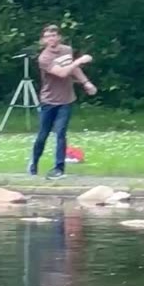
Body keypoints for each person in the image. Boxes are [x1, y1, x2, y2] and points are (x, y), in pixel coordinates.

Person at [29, 24, 97, 180]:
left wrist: (86, 82)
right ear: (43, 40)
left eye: (54, 35)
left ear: (59, 37)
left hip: (66, 99)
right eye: (48, 36)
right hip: (49, 100)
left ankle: (59, 168)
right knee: (43, 135)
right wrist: (79, 60)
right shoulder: (44, 58)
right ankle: (33, 164)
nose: (51, 39)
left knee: (61, 133)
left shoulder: (66, 50)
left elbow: (72, 69)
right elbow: (61, 72)